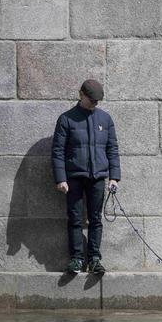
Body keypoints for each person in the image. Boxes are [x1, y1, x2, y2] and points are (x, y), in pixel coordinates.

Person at [50, 78, 121, 275]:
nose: (95, 104)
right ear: (81, 95)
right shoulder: (66, 119)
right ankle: (76, 259)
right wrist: (60, 179)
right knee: (74, 219)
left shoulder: (105, 119)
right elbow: (58, 151)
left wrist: (114, 177)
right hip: (73, 177)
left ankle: (95, 259)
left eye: (97, 101)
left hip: (98, 178)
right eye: (92, 100)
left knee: (96, 219)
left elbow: (112, 149)